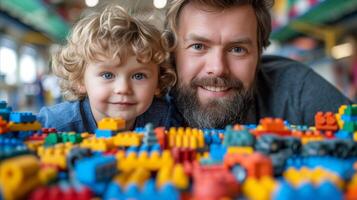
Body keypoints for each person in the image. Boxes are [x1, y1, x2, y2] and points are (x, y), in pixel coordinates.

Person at [163, 0, 352, 128]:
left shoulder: (296, 90)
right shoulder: (139, 99)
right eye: (198, 46)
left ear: (259, 53)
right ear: (172, 53)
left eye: (237, 49)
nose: (218, 68)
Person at [37, 5, 178, 133]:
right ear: (80, 81)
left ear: (158, 83)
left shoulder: (166, 119)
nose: (123, 89)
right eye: (107, 75)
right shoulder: (55, 124)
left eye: (139, 76)